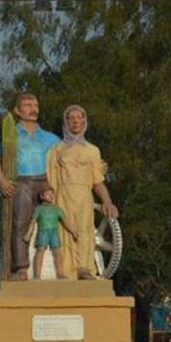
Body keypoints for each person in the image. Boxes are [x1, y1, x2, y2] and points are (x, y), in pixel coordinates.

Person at [0, 93, 61, 280]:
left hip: (45, 181)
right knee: (20, 221)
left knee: (58, 216)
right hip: (21, 180)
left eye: (36, 104)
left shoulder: (50, 138)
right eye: (28, 104)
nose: (33, 108)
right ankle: (20, 267)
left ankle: (64, 265)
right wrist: (2, 181)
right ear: (17, 110)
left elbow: (69, 156)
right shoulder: (11, 135)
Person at [46, 105, 118, 280]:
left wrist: (107, 201)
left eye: (80, 118)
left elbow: (97, 181)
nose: (76, 121)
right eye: (71, 118)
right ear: (65, 122)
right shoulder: (56, 150)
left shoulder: (93, 150)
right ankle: (63, 272)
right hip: (62, 196)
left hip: (84, 196)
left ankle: (84, 269)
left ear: (85, 122)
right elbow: (50, 180)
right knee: (64, 233)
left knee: (85, 232)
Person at [24, 187, 78, 279]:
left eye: (52, 194)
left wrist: (73, 231)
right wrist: (28, 234)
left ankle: (60, 273)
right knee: (40, 251)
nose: (51, 196)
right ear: (42, 196)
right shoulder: (39, 209)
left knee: (57, 252)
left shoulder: (56, 209)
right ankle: (37, 274)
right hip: (43, 231)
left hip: (54, 232)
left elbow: (65, 221)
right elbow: (33, 222)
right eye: (48, 194)